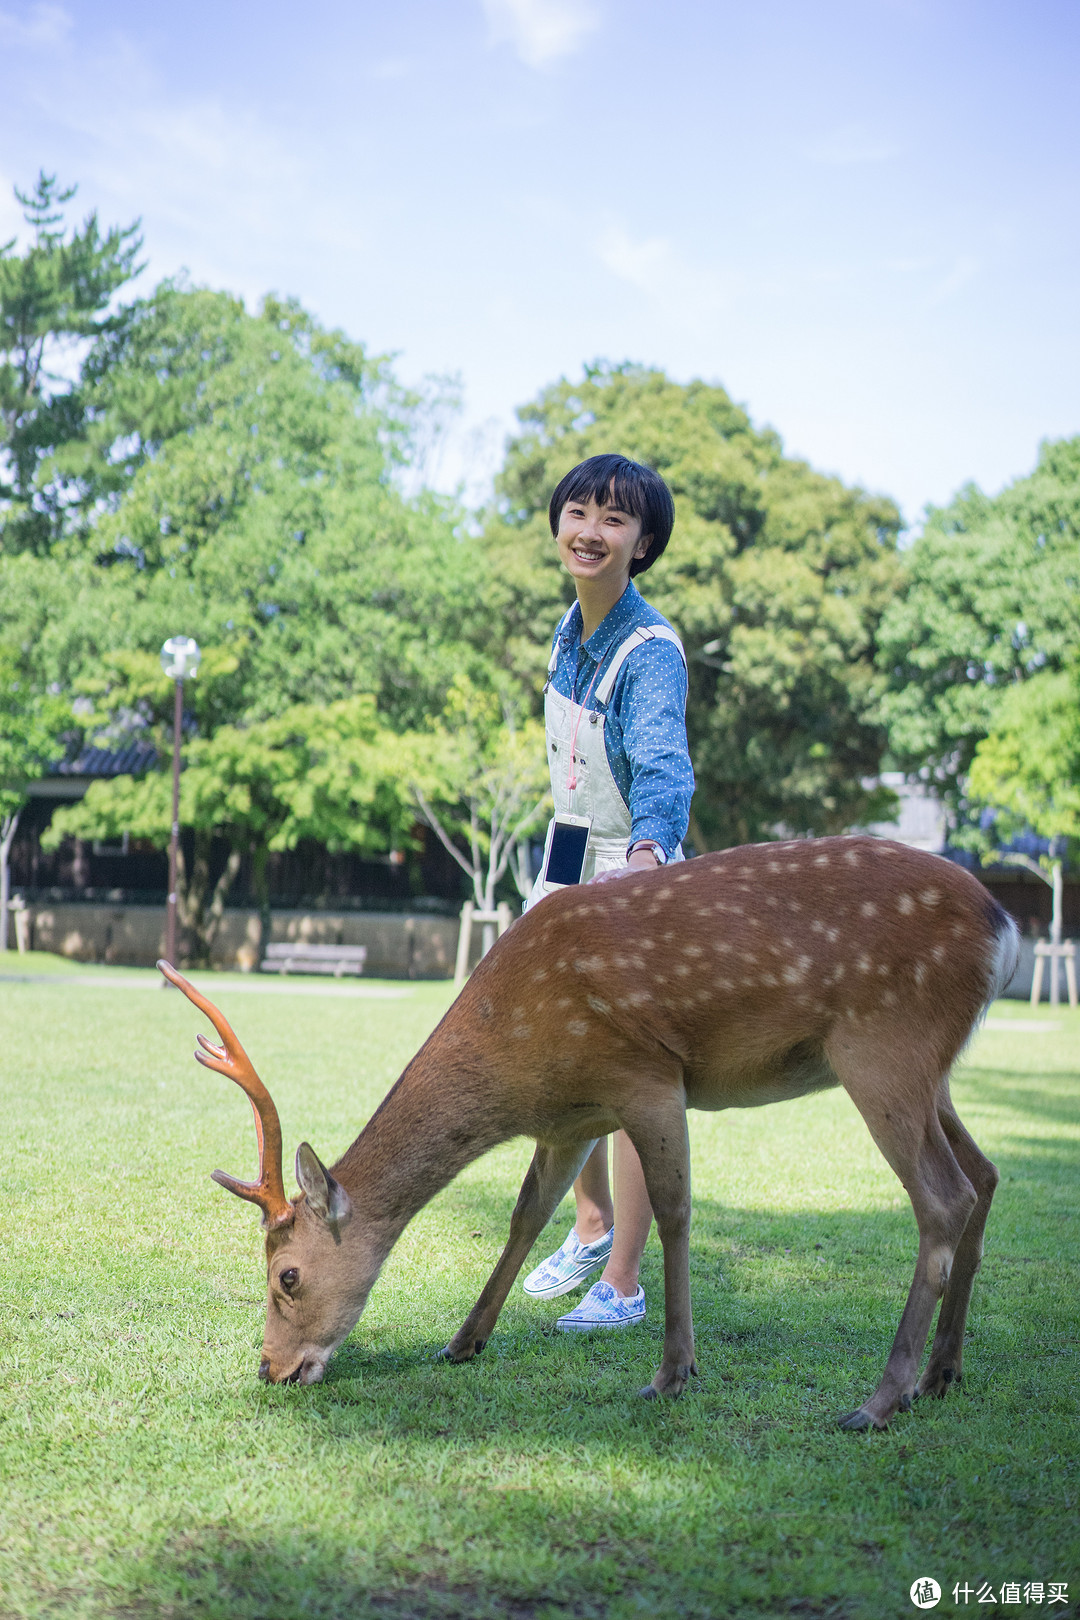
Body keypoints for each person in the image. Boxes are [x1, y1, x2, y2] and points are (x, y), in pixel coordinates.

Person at [521, 452, 694, 1332]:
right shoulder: (568, 630)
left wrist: (649, 861)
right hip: (565, 865)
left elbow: (665, 769)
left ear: (644, 541)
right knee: (548, 1063)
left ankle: (624, 1281)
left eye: (614, 520)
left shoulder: (649, 651)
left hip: (631, 876)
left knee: (627, 1080)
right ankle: (589, 1225)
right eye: (578, 511)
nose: (591, 531)